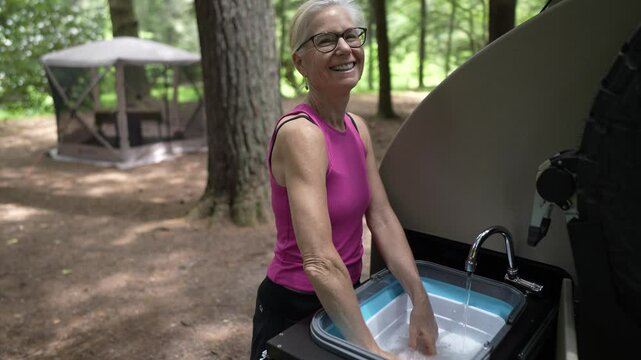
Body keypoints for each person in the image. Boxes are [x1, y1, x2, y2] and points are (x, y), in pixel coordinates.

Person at [250, 1, 439, 359]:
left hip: (347, 295)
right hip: (296, 305)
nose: (344, 47)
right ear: (300, 62)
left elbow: (381, 218)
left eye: (351, 35)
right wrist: (372, 352)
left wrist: (420, 298)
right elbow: (320, 261)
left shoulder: (357, 128)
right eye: (325, 40)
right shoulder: (301, 134)